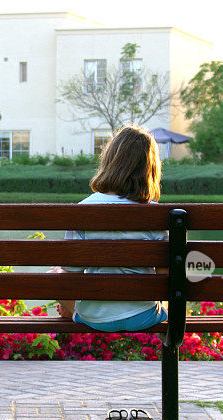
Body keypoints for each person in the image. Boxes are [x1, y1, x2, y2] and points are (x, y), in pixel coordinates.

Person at [55, 124, 168, 332]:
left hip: (95, 317)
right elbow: (165, 278)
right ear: (150, 168)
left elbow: (70, 277)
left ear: (109, 162)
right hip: (143, 315)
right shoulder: (157, 215)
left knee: (59, 272)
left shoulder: (82, 210)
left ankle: (75, 312)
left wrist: (70, 308)